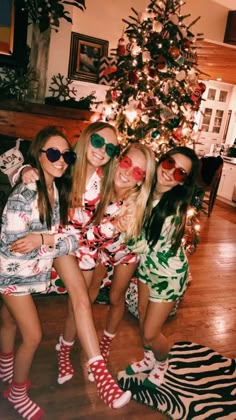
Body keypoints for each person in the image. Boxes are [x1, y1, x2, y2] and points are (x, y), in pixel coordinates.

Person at [9, 122, 132, 409]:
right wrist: (22, 170)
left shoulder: (105, 184)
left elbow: (104, 223)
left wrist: (118, 220)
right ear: (87, 138)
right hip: (47, 241)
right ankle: (8, 360)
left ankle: (77, 360)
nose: (103, 151)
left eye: (111, 148)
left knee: (80, 303)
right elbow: (30, 173)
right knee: (11, 310)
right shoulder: (64, 165)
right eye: (99, 142)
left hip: (75, 246)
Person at [56, 142, 156, 383]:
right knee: (83, 300)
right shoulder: (97, 183)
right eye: (126, 163)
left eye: (137, 172)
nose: (127, 172)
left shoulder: (136, 204)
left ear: (142, 180)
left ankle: (105, 346)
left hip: (125, 253)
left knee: (115, 299)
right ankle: (64, 349)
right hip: (97, 248)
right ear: (118, 160)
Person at [0, 126, 78, 420]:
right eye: (54, 153)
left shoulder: (53, 186)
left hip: (20, 274)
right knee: (33, 335)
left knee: (8, 320)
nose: (61, 161)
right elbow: (17, 244)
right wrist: (54, 240)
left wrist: (44, 239)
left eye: (66, 155)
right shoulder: (27, 192)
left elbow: (47, 238)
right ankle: (17, 392)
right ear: (39, 155)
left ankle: (6, 367)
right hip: (11, 276)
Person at [124, 146, 199, 388]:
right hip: (147, 270)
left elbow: (141, 245)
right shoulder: (144, 188)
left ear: (182, 182)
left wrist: (120, 226)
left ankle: (162, 362)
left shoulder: (174, 209)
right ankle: (148, 359)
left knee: (150, 333)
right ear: (160, 161)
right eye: (168, 163)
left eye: (180, 173)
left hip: (168, 278)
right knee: (143, 320)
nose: (170, 173)